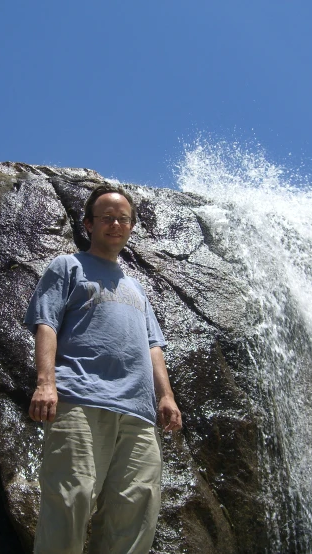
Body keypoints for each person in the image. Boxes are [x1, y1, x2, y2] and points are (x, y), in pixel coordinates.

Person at [24, 184, 182, 554]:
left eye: (123, 219)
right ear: (89, 224)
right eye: (107, 217)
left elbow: (153, 346)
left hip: (138, 414)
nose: (116, 224)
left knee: (137, 511)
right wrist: (45, 383)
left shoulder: (137, 289)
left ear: (131, 227)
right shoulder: (67, 266)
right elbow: (45, 323)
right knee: (70, 499)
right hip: (80, 399)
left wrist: (166, 397)